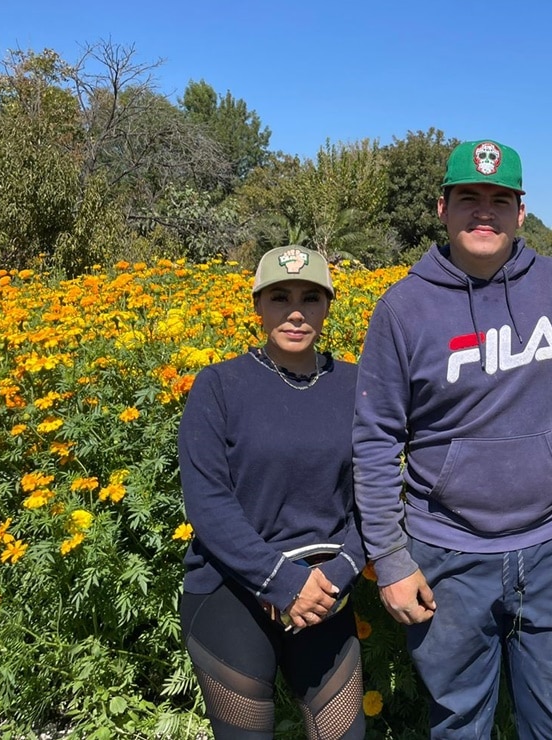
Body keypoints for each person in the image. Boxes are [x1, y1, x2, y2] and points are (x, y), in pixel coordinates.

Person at [352, 139, 552, 738]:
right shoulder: (402, 309)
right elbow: (376, 438)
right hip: (446, 554)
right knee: (458, 722)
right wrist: (390, 556)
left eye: (498, 200)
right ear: (443, 208)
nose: (484, 212)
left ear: (520, 212)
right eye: (469, 199)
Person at [177, 245, 365, 740]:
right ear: (257, 306)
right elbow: (207, 503)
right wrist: (281, 583)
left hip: (325, 591)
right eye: (280, 297)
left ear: (328, 306)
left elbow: (375, 493)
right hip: (232, 590)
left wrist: (340, 572)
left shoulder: (354, 384)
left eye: (311, 297)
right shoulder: (219, 386)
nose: (296, 312)